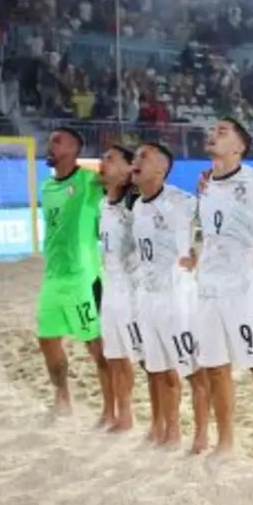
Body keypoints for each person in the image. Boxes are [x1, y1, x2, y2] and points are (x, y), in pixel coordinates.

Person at [196, 117, 253, 462]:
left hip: (245, 290)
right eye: (212, 129)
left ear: (240, 146)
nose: (213, 134)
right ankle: (225, 443)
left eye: (222, 131)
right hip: (208, 290)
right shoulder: (205, 185)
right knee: (215, 369)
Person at [131, 143, 211, 450]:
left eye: (144, 156)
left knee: (193, 371)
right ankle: (172, 432)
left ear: (161, 169)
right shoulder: (137, 207)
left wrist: (199, 254)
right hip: (148, 298)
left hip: (177, 298)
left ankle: (201, 435)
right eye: (135, 156)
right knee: (160, 370)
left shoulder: (180, 201)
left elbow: (214, 223)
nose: (136, 160)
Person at [35, 127, 112, 425]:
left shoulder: (90, 181)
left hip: (83, 277)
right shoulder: (47, 187)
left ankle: (110, 409)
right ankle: (62, 399)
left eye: (57, 141)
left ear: (74, 149)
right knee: (47, 340)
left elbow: (121, 183)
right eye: (50, 140)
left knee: (96, 346)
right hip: (53, 277)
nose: (50, 145)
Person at [97, 145, 141, 434]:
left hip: (132, 291)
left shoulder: (135, 206)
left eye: (111, 159)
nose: (103, 163)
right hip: (110, 288)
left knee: (138, 358)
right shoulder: (103, 205)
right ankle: (121, 415)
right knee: (113, 355)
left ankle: (138, 418)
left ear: (128, 169)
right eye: (103, 159)